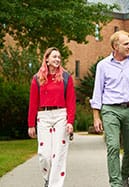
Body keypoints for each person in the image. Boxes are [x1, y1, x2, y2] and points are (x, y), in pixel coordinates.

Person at [90, 30, 129, 187]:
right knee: (113, 146)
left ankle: (124, 177)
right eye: (126, 44)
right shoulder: (103, 66)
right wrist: (96, 116)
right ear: (115, 46)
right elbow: (97, 92)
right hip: (110, 109)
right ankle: (116, 184)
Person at [27, 47, 76, 187]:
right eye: (54, 57)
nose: (57, 59)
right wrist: (31, 124)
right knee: (44, 155)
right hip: (43, 116)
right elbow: (33, 103)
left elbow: (71, 101)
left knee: (59, 154)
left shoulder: (66, 77)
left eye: (59, 57)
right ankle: (48, 178)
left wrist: (70, 121)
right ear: (46, 59)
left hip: (61, 115)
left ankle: (55, 184)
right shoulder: (37, 79)